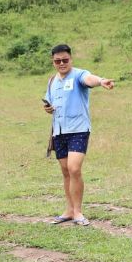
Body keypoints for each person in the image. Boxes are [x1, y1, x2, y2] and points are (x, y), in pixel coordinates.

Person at [42, 44, 114, 226]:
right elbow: (49, 104)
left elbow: (89, 79)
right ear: (53, 62)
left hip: (78, 129)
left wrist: (101, 80)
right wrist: (48, 108)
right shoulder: (52, 81)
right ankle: (69, 210)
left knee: (74, 169)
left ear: (71, 59)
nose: (62, 63)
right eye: (57, 61)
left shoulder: (79, 74)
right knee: (66, 172)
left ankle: (78, 212)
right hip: (59, 131)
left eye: (65, 60)